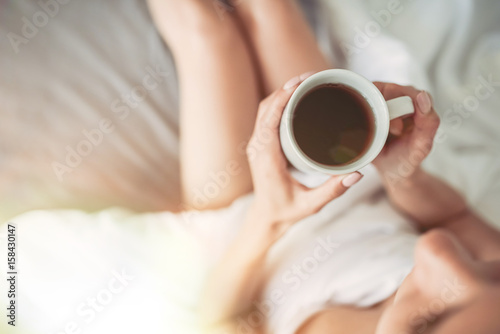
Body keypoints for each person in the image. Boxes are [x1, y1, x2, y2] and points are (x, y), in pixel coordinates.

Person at [146, 0, 500, 333]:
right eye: (490, 274)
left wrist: (271, 216)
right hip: (349, 175)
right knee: (273, 9)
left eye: (430, 322)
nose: (436, 247)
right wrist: (401, 175)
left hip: (242, 216)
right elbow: (453, 220)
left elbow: (220, 316)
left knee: (206, 34)